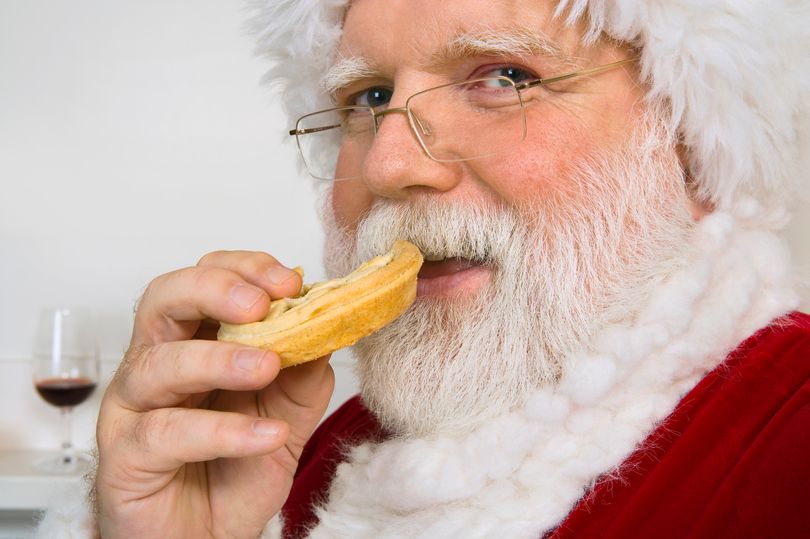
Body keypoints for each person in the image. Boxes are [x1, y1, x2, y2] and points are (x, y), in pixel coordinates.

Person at [37, 0, 809, 537]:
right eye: (367, 96)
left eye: (505, 76)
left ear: (692, 141)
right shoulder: (298, 457)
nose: (389, 160)